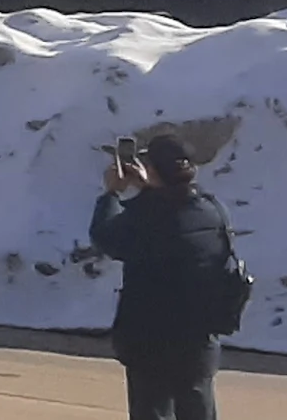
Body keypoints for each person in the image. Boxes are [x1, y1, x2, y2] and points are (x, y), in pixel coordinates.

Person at [91, 133, 236, 420]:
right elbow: (172, 214)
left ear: (155, 171)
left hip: (150, 340)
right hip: (198, 339)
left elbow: (106, 236)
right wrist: (150, 188)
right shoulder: (213, 210)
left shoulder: (145, 216)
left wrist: (112, 193)